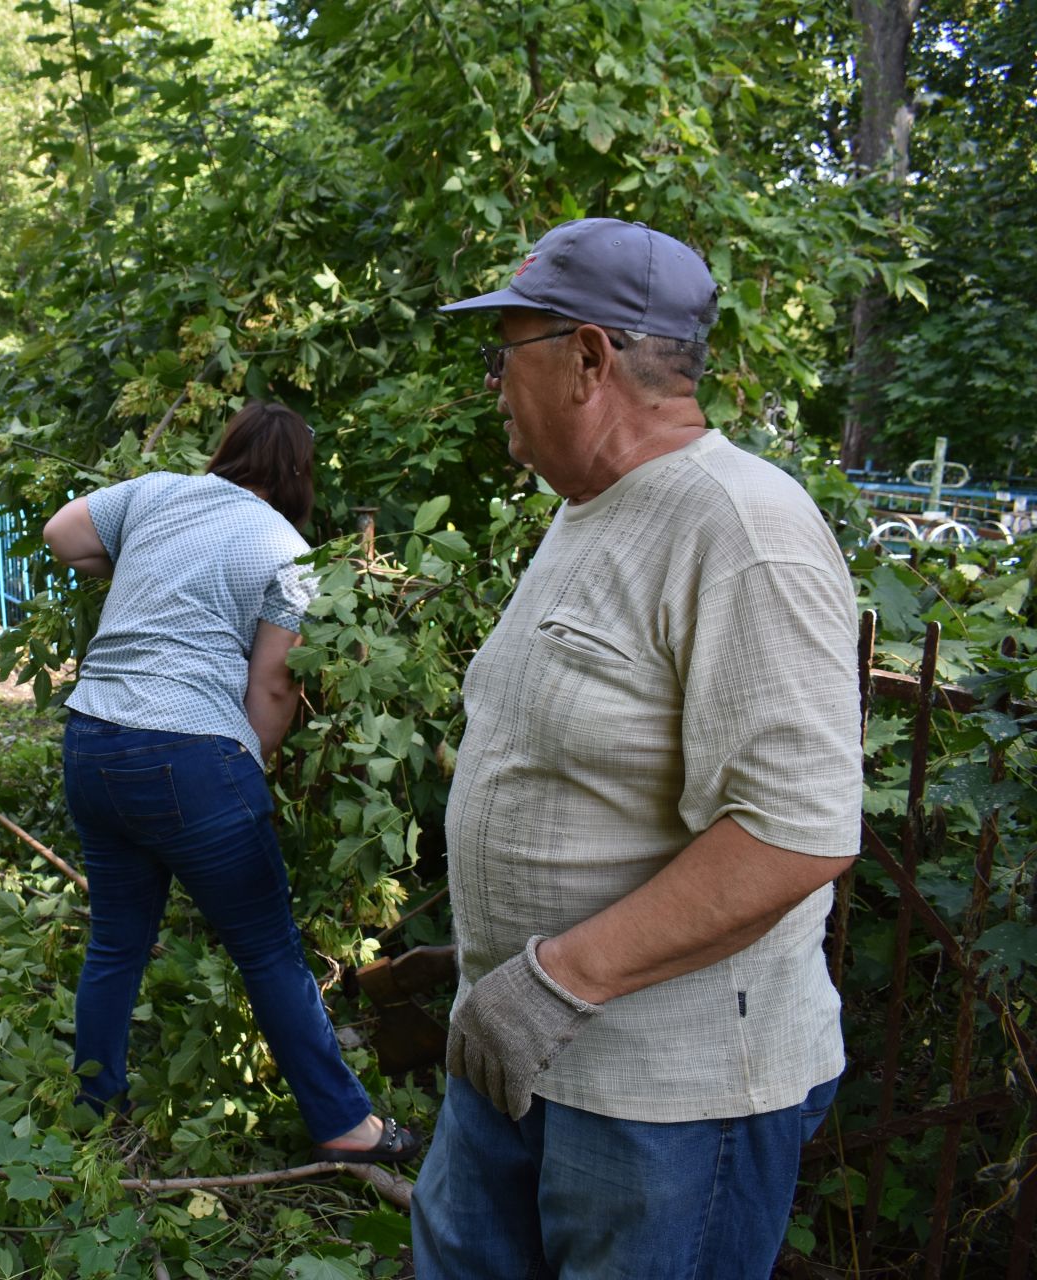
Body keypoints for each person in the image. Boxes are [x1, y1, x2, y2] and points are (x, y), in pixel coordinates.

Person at [414, 219, 862, 1276]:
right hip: (517, 1060)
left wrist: (559, 975)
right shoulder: (591, 512)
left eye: (505, 353)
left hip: (668, 1106)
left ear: (586, 358)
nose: (494, 385)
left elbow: (795, 832)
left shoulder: (745, 530)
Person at [43, 401, 419, 1165]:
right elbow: (274, 691)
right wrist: (245, 771)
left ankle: (91, 1104)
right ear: (298, 477)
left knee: (116, 940)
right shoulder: (287, 550)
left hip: (90, 742)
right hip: (189, 757)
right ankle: (345, 1123)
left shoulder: (155, 494)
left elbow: (61, 537)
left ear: (228, 450)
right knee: (268, 949)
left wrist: (136, 564)